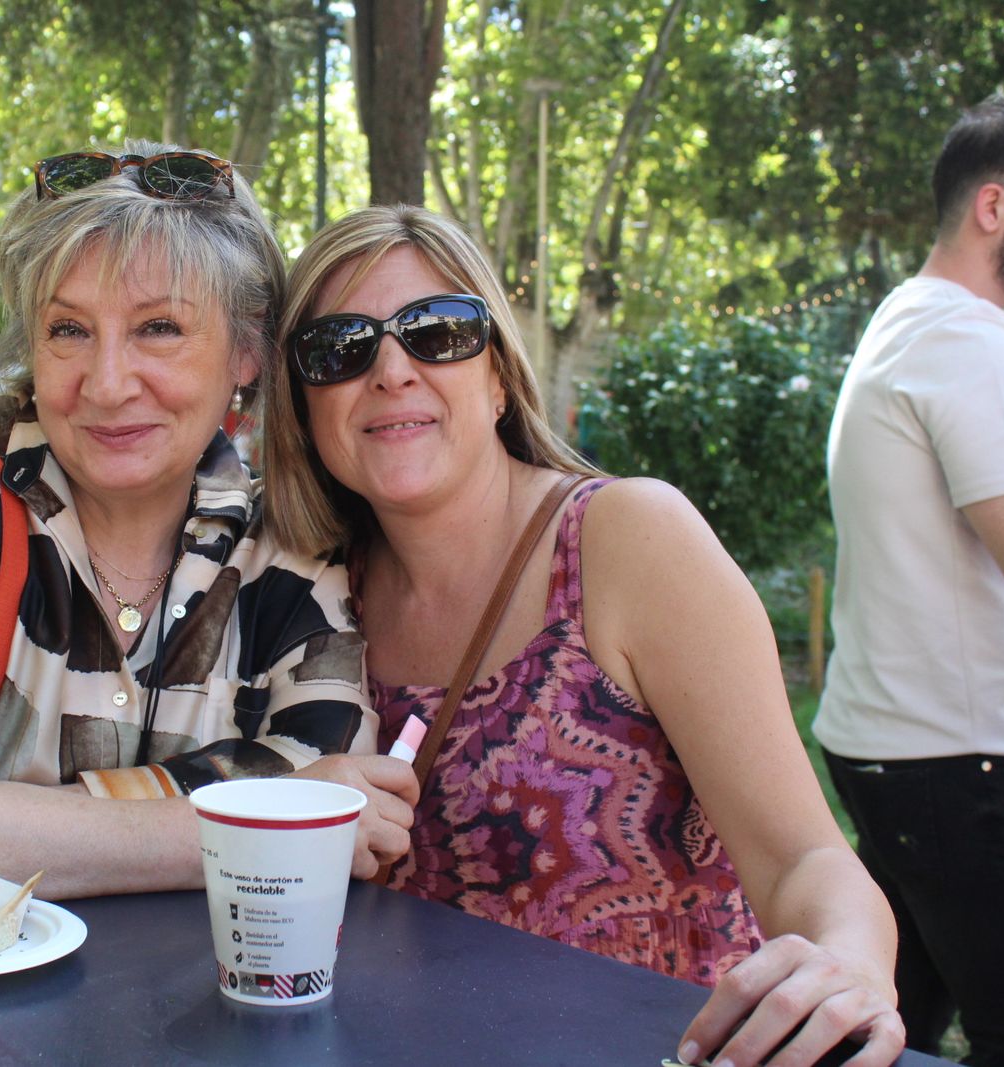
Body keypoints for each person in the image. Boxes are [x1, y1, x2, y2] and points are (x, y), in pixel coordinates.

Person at [261, 205, 902, 1067]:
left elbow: (804, 859)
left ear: (498, 377)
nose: (391, 370)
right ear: (302, 405)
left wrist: (850, 964)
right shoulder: (310, 593)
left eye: (437, 332)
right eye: (340, 349)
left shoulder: (626, 542)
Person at [0, 142, 416, 898]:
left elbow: (333, 798)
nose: (106, 385)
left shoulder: (290, 547)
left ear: (247, 350)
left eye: (158, 327)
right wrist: (238, 826)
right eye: (69, 329)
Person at [813, 95, 1004, 1067]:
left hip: (898, 756)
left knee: (891, 1035)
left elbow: (934, 580)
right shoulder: (970, 340)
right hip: (962, 777)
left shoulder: (906, 322)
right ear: (995, 206)